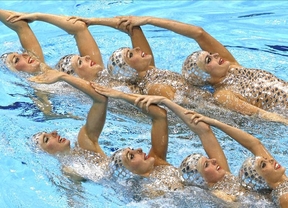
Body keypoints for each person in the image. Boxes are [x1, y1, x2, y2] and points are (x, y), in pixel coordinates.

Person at [29, 69, 184, 195]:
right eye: (47, 139)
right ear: (45, 154)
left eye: (49, 134)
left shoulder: (85, 144)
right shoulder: (68, 171)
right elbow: (76, 200)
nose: (54, 133)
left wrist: (64, 77)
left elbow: (100, 99)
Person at [117, 16, 288, 125]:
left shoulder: (234, 67)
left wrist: (148, 20)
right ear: (205, 75)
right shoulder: (223, 95)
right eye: (208, 60)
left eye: (210, 55)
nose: (215, 55)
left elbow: (199, 33)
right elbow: (261, 115)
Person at [133, 94, 284, 204]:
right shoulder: (221, 195)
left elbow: (203, 129)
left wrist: (166, 101)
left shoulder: (227, 177)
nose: (213, 160)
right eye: (206, 165)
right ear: (202, 180)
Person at [67, 16, 212, 104]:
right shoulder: (155, 87)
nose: (137, 49)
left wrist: (94, 21)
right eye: (130, 55)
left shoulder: (150, 70)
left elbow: (132, 26)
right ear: (131, 70)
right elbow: (190, 111)